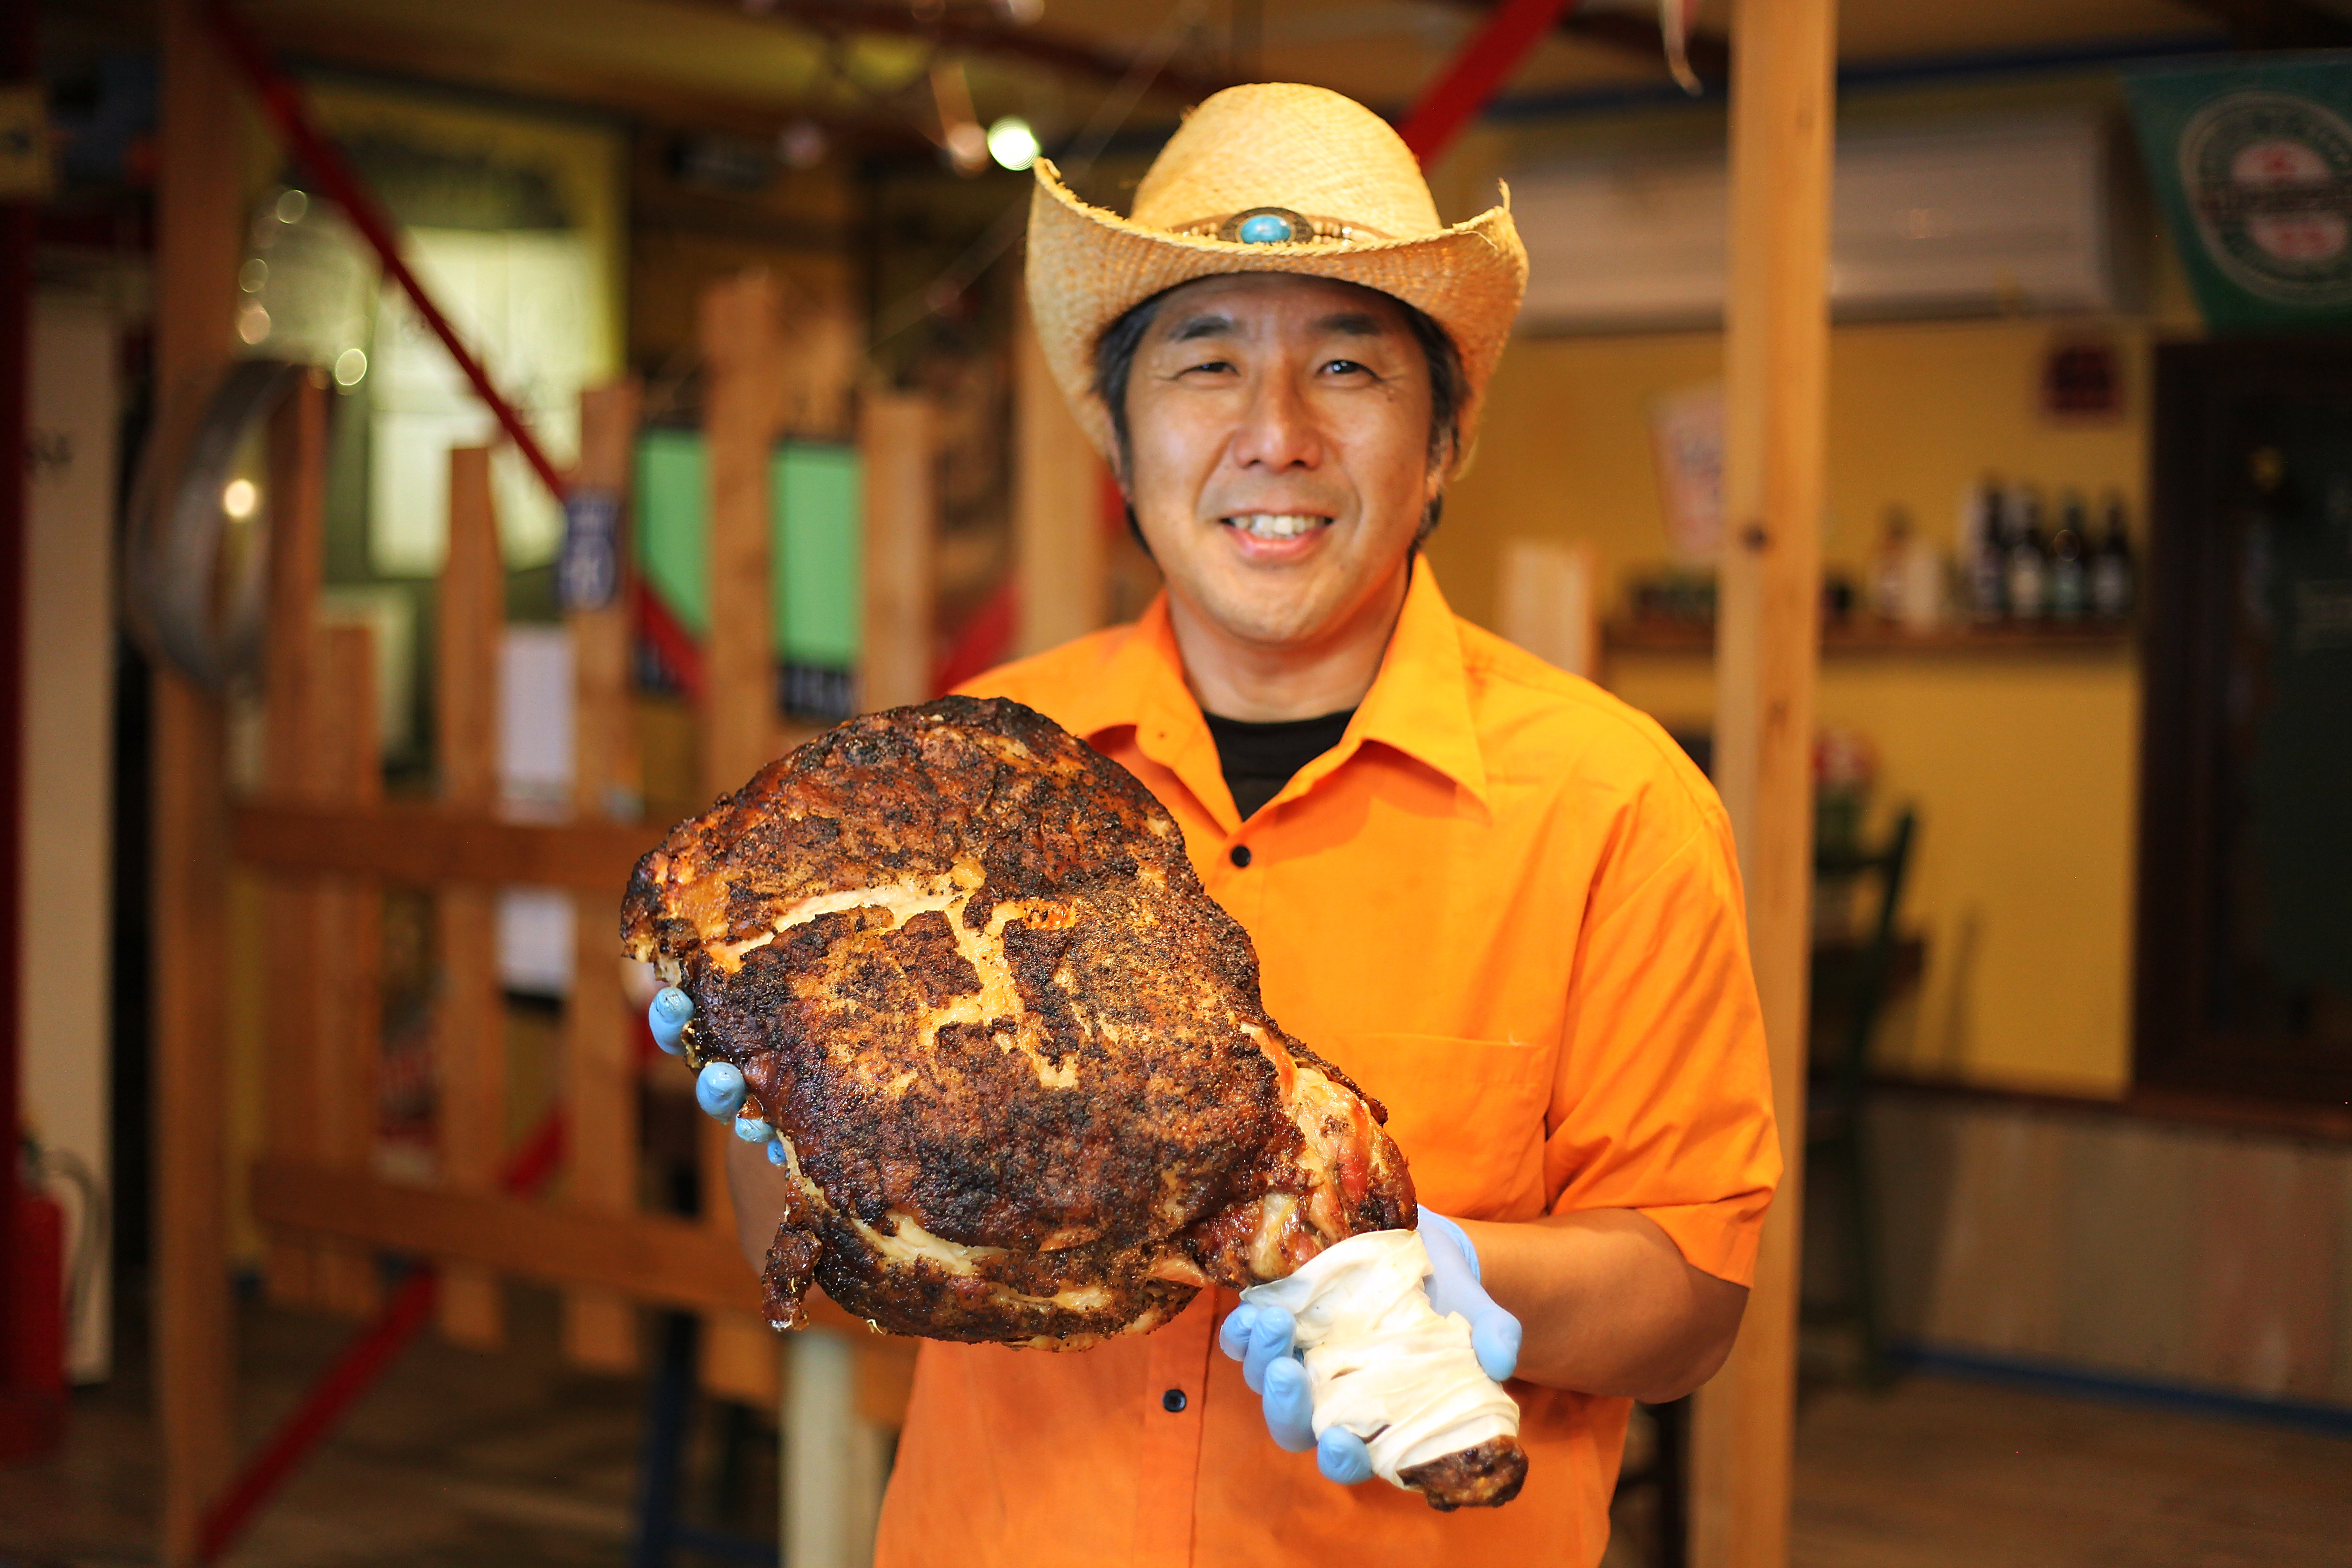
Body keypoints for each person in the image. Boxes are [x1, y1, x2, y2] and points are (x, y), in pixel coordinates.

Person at [656, 82, 1778, 1567]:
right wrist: (782, 1108)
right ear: (1119, 444)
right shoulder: (963, 788)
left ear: (1442, 443)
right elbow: (778, 1240)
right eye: (1204, 362)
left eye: (1349, 368)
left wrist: (1472, 1284)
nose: (1275, 433)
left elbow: (1691, 1300)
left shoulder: (1616, 808)